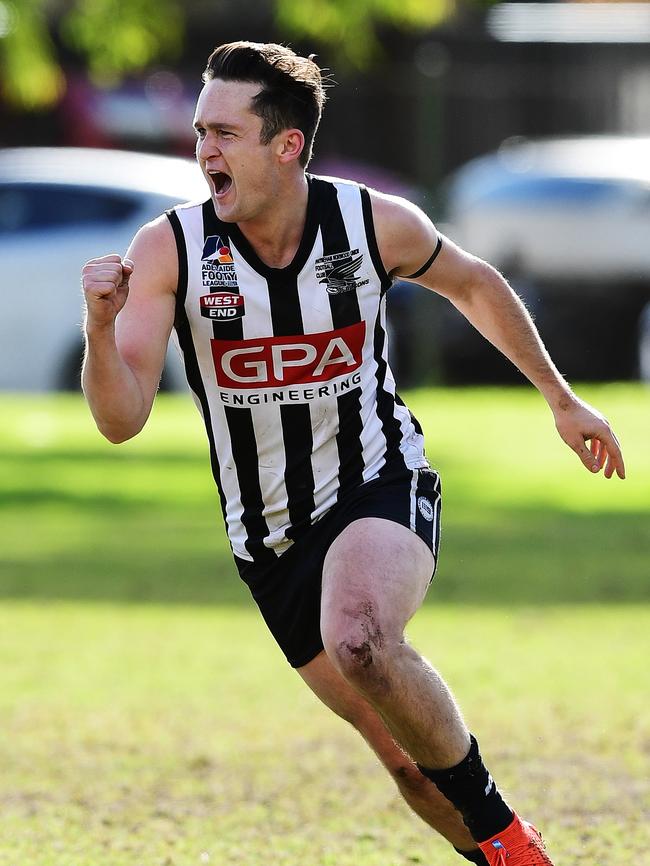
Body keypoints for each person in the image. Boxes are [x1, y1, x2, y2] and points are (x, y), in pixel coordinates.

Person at [81, 41, 625, 866]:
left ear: (286, 145)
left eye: (225, 133)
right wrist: (98, 327)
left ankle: (511, 840)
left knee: (362, 635)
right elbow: (120, 419)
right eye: (200, 132)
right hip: (268, 543)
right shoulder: (173, 250)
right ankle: (509, 854)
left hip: (378, 483)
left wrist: (560, 397)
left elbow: (476, 283)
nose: (204, 151)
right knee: (411, 768)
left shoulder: (372, 224)